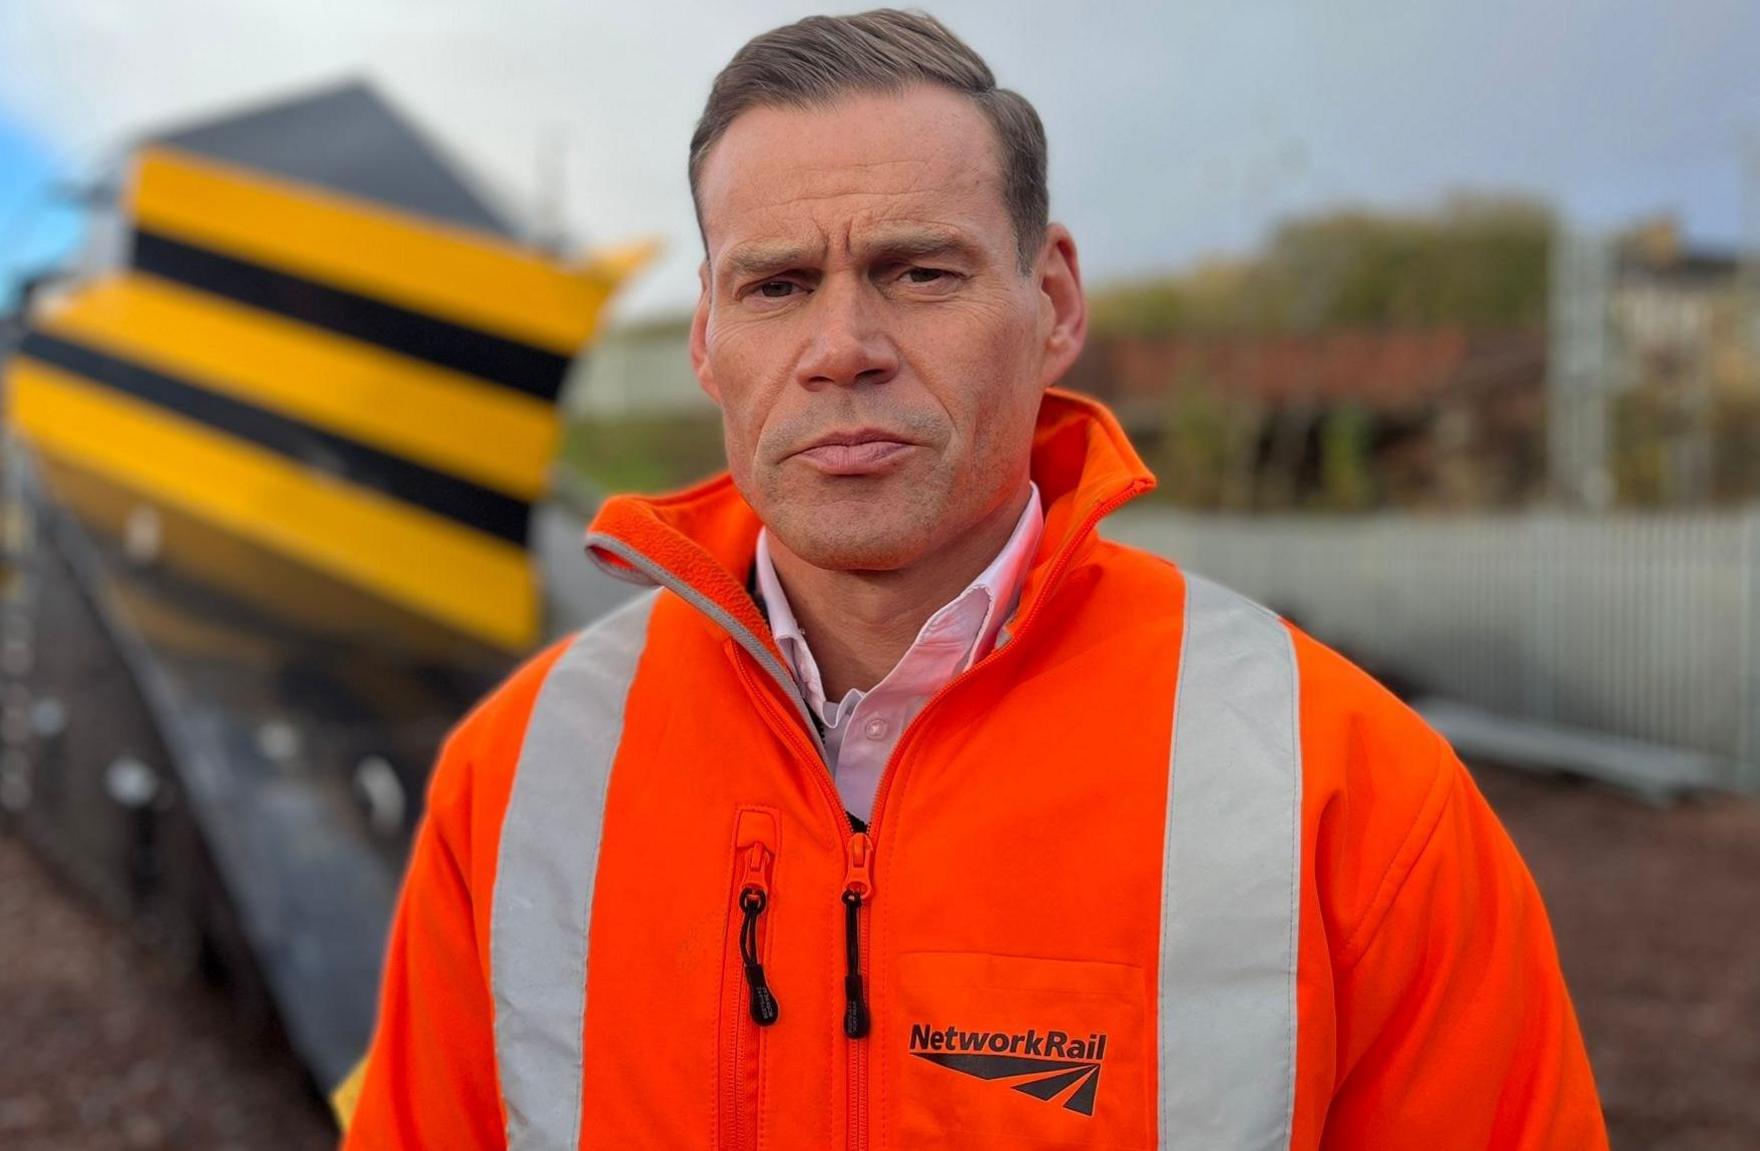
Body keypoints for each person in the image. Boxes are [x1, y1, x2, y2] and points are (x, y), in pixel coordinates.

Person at [339, 10, 1607, 1149]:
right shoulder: (516, 785)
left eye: (916, 271)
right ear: (709, 343)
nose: (842, 349)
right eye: (777, 286)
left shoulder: (1345, 791)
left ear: (1050, 299)